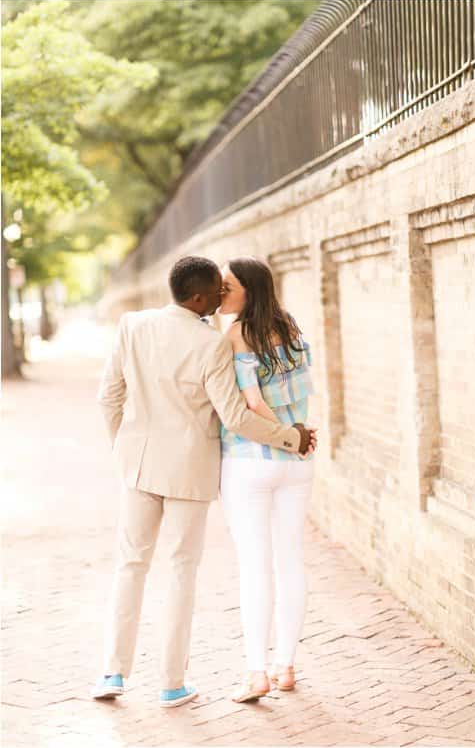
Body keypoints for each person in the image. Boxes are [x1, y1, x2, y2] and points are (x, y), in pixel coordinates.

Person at [93, 256, 316, 708]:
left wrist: (123, 448)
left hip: (137, 465)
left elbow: (108, 398)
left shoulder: (131, 325)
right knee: (180, 572)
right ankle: (171, 685)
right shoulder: (211, 344)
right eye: (217, 290)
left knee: (130, 566)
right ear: (198, 298)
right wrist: (291, 437)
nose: (221, 297)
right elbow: (235, 414)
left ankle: (113, 672)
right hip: (190, 472)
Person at [216, 257, 315, 703]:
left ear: (249, 291)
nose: (221, 291)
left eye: (229, 285)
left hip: (252, 460)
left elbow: (251, 401)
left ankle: (257, 672)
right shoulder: (291, 328)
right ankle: (286, 666)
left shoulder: (236, 334)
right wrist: (295, 436)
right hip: (297, 464)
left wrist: (284, 436)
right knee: (290, 559)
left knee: (255, 565)